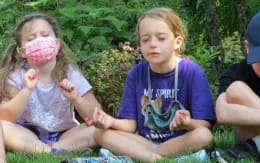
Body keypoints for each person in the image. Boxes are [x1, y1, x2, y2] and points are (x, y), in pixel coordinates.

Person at [86, 7, 216, 162]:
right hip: (145, 142)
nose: (153, 44)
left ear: (177, 42)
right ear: (140, 44)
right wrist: (109, 122)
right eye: (145, 39)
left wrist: (188, 123)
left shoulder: (192, 73)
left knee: (204, 136)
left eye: (161, 38)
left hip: (180, 142)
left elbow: (204, 125)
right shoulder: (136, 73)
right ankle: (158, 159)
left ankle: (143, 157)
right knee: (99, 134)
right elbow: (130, 125)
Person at [0, 13, 101, 154]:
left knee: (98, 129)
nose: (40, 41)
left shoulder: (70, 74)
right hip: (28, 134)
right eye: (31, 38)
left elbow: (97, 115)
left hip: (65, 134)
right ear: (22, 51)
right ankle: (53, 151)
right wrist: (26, 91)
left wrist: (76, 99)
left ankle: (48, 149)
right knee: (2, 126)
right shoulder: (17, 76)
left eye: (45, 35)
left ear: (57, 43)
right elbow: (5, 117)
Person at [212, 12, 260, 162]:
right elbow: (222, 113)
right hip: (251, 137)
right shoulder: (236, 72)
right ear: (247, 47)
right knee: (236, 89)